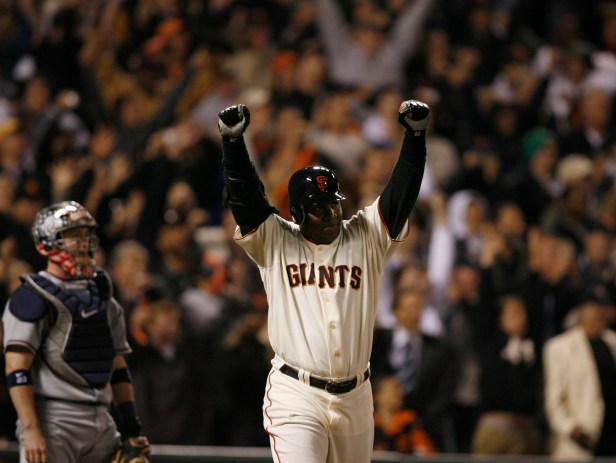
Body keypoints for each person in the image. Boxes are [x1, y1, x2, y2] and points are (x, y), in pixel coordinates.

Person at [217, 99, 429, 463]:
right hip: (297, 393)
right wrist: (233, 145)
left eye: (334, 203)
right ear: (297, 213)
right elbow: (247, 200)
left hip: (356, 397)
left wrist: (415, 137)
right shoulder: (276, 240)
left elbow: (400, 195)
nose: (331, 213)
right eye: (319, 207)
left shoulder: (366, 236)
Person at [2, 201, 150, 463]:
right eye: (73, 235)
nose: (83, 242)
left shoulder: (103, 296)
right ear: (49, 241)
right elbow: (16, 368)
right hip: (54, 419)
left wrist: (130, 427)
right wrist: (31, 429)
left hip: (102, 419)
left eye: (85, 234)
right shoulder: (32, 296)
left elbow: (118, 367)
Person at [543, 296, 616, 459]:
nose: (598, 321)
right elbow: (553, 399)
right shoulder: (560, 348)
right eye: (593, 317)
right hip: (583, 436)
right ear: (582, 317)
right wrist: (570, 428)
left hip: (612, 435)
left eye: (600, 316)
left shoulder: (612, 342)